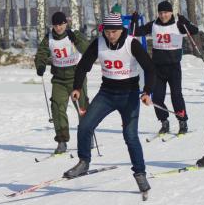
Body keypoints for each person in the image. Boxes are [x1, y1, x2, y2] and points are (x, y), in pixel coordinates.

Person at [63, 14, 155, 194]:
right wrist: (77, 88)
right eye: (107, 31)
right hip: (107, 94)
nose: (111, 35)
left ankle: (140, 173)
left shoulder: (131, 43)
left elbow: (150, 68)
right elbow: (83, 66)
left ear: (121, 30)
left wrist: (147, 91)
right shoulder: (99, 43)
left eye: (114, 31)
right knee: (85, 126)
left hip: (129, 95)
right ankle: (84, 162)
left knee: (130, 136)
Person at [130, 1, 198, 135]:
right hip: (158, 68)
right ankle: (164, 122)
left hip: (173, 67)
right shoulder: (154, 24)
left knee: (176, 96)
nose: (163, 15)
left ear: (171, 12)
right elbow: (135, 32)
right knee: (157, 98)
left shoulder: (178, 24)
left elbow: (195, 31)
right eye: (160, 13)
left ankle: (182, 121)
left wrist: (186, 22)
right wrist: (134, 21)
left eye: (166, 12)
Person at [34, 11, 89, 154]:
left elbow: (87, 50)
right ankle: (62, 141)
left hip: (77, 77)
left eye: (61, 24)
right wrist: (40, 65)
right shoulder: (48, 39)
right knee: (57, 108)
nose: (58, 27)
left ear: (66, 23)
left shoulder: (74, 35)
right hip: (59, 79)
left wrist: (76, 40)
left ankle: (86, 138)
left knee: (82, 108)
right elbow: (41, 54)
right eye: (56, 25)